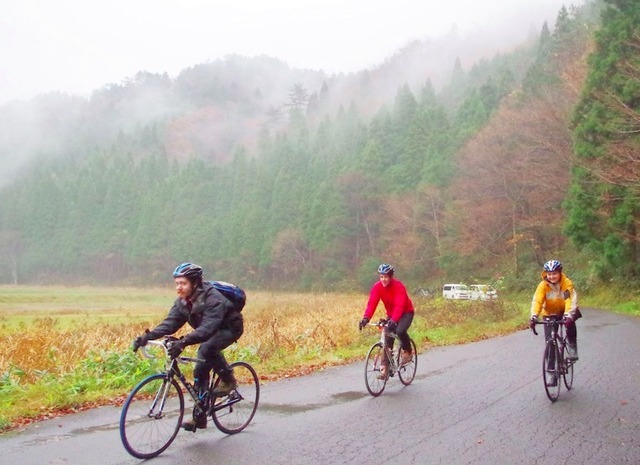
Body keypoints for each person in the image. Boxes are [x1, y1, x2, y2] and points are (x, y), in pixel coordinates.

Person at [132, 262, 244, 431]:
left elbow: (208, 328)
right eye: (176, 283)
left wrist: (183, 342)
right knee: (200, 369)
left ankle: (229, 379)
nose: (179, 288)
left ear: (195, 283)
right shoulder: (182, 302)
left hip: (228, 328)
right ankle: (200, 416)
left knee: (206, 349)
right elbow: (170, 324)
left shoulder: (213, 299)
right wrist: (147, 336)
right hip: (209, 330)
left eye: (183, 283)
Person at [529, 259, 581, 386]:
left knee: (570, 323)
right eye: (549, 273)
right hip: (549, 313)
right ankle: (552, 374)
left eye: (554, 273)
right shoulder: (542, 286)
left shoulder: (566, 283)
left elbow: (569, 300)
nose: (552, 276)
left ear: (560, 273)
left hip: (565, 310)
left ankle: (572, 347)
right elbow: (537, 301)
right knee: (550, 343)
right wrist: (534, 316)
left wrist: (569, 315)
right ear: (545, 274)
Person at [358, 263, 415, 379]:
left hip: (405, 313)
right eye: (381, 277)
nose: (383, 279)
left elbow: (400, 305)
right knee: (386, 338)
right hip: (392, 315)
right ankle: (385, 368)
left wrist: (394, 320)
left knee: (399, 331)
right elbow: (372, 303)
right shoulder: (377, 287)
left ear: (391, 277)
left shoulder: (399, 287)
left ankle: (408, 352)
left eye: (386, 277)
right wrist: (366, 318)